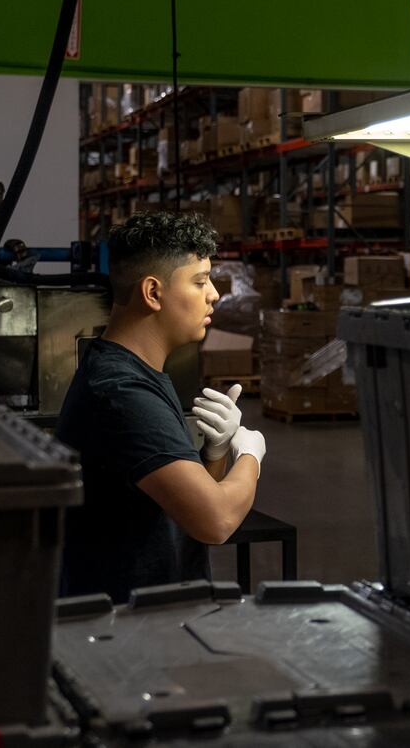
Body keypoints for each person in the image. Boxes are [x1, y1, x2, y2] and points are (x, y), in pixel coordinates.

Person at [57, 211, 267, 602]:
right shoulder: (123, 392)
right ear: (153, 293)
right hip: (128, 630)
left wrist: (215, 452)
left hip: (153, 616)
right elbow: (214, 520)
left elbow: (179, 503)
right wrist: (250, 456)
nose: (214, 295)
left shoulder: (140, 373)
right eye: (200, 281)